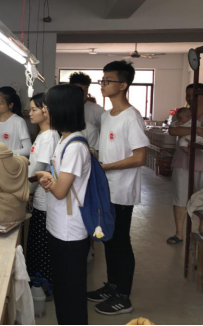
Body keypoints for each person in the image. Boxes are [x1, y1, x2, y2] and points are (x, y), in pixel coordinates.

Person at [88, 61, 150, 316]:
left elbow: (140, 157)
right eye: (101, 80)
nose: (102, 84)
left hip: (122, 191)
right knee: (109, 240)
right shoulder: (106, 116)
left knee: (121, 242)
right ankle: (112, 286)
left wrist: (105, 167)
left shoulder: (131, 117)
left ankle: (123, 297)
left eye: (108, 80)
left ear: (123, 85)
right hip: (106, 189)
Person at [36, 85, 92, 325]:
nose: (45, 111)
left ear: (61, 109)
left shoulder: (76, 146)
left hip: (70, 231)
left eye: (47, 107)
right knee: (62, 290)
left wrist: (46, 179)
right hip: (58, 225)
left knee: (71, 294)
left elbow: (60, 191)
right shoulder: (63, 139)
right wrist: (50, 178)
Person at [26, 93, 59, 287]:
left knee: (42, 244)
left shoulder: (49, 136)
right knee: (36, 243)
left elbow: (40, 168)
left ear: (46, 111)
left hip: (44, 198)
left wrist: (28, 191)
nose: (30, 113)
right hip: (39, 196)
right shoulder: (42, 134)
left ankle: (43, 283)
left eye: (34, 109)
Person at [168, 85, 203, 246]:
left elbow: (180, 130)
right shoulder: (182, 113)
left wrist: (187, 129)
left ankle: (201, 230)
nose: (189, 98)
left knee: (201, 199)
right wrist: (198, 130)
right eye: (187, 95)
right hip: (182, 163)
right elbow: (173, 131)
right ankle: (179, 233)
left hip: (201, 164)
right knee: (180, 198)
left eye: (194, 95)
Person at [0, 87, 32, 157]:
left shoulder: (18, 122)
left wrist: (6, 153)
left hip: (12, 161)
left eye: (0, 103)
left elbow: (28, 149)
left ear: (10, 105)